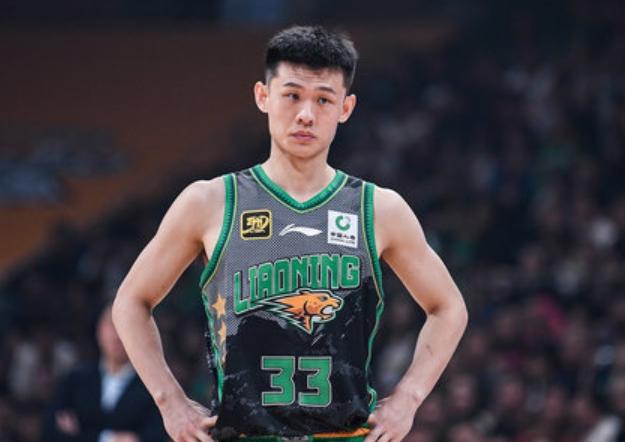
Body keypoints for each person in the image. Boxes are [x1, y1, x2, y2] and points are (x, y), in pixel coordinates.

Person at [112, 25, 468, 442]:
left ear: (346, 108)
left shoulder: (378, 209)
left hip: (343, 435)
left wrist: (408, 398)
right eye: (292, 95)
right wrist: (169, 402)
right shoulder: (210, 201)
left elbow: (448, 307)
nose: (306, 115)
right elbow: (131, 302)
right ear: (263, 96)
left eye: (323, 99)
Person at [42, 305, 167, 442]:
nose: (118, 332)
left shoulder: (153, 388)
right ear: (99, 330)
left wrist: (80, 435)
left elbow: (156, 436)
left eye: (126, 324)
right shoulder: (75, 380)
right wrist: (110, 439)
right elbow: (52, 431)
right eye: (111, 323)